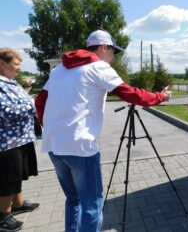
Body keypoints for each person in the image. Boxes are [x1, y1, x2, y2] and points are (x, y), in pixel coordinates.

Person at [34, 29, 171, 232]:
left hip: (54, 145)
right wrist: (160, 96)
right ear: (104, 47)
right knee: (92, 206)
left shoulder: (59, 70)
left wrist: (52, 128)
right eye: (113, 52)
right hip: (80, 147)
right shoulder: (99, 67)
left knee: (73, 199)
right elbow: (132, 94)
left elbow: (40, 100)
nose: (113, 58)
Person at [0, 48, 40, 232]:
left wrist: (29, 98)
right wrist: (32, 104)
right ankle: (3, 216)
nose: (19, 68)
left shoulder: (11, 82)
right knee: (7, 178)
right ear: (2, 63)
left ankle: (18, 204)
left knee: (17, 174)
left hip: (21, 138)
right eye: (15, 64)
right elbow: (5, 111)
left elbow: (21, 101)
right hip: (7, 142)